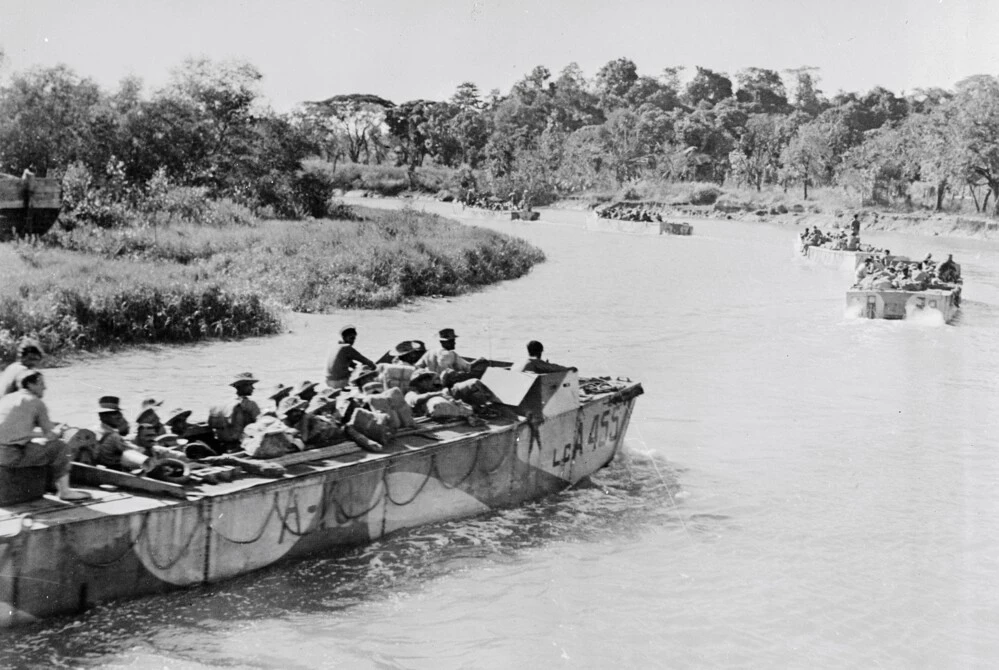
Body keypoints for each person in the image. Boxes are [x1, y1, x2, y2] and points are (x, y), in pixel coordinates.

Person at [0, 370, 90, 501]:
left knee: (37, 444)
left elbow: (12, 429)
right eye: (41, 383)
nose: (45, 387)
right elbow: (51, 435)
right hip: (11, 456)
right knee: (60, 447)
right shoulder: (36, 402)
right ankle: (64, 491)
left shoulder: (8, 398)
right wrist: (60, 430)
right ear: (30, 385)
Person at [209, 372, 262, 452]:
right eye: (250, 385)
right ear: (242, 386)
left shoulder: (222, 403)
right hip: (240, 445)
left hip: (223, 444)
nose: (253, 388)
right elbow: (261, 424)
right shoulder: (249, 404)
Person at [325, 325, 375, 390]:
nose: (353, 341)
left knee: (360, 371)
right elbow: (365, 361)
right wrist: (375, 368)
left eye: (354, 338)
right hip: (339, 382)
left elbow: (353, 365)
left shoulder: (336, 347)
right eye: (351, 338)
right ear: (344, 338)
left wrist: (358, 368)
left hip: (328, 381)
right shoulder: (347, 347)